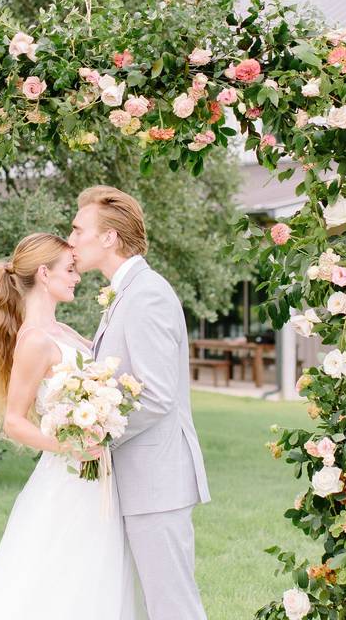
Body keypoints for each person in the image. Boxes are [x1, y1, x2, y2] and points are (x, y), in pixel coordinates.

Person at [0, 232, 145, 619]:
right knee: (56, 576)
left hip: (97, 473)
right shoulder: (34, 340)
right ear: (43, 273)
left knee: (92, 576)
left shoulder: (64, 332)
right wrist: (71, 447)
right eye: (70, 270)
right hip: (69, 476)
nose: (77, 277)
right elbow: (14, 422)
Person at [68, 185, 211, 620]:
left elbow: (156, 394)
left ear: (109, 237)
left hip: (156, 480)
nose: (70, 240)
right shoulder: (123, 293)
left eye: (78, 230)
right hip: (138, 480)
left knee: (171, 606)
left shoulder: (146, 294)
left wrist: (96, 433)